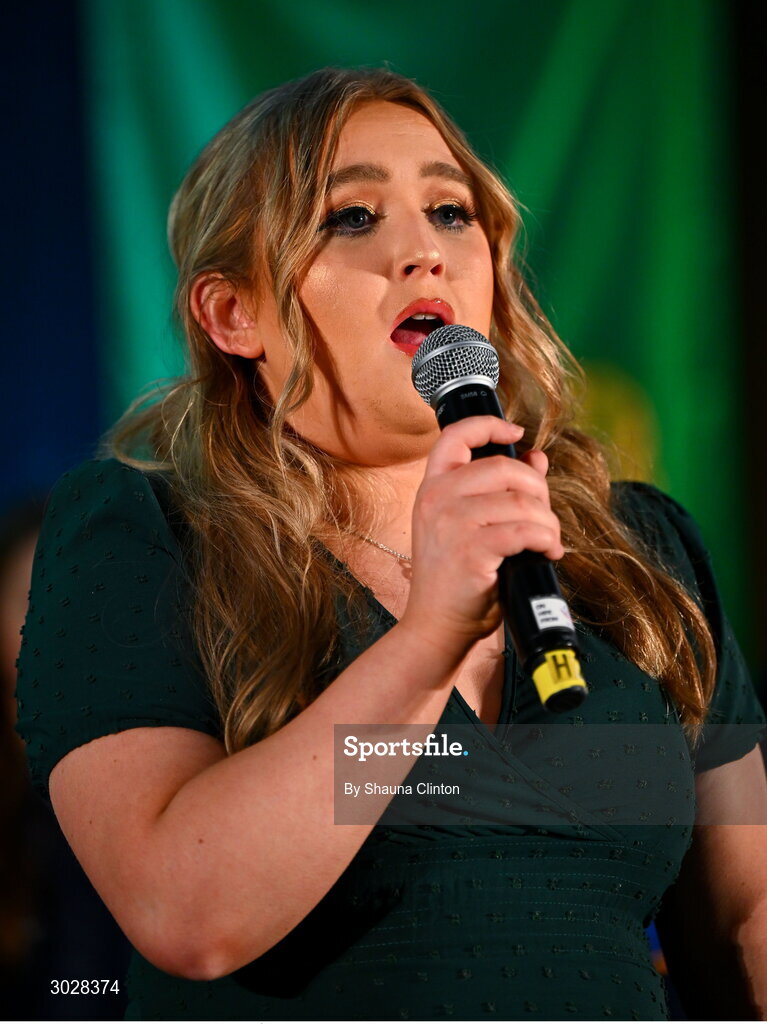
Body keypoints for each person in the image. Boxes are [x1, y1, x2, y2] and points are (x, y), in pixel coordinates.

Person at [15, 67, 767, 1021]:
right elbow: (186, 909)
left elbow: (746, 926)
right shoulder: (142, 531)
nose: (421, 252)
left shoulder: (642, 548)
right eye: (351, 218)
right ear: (231, 314)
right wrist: (423, 642)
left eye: (450, 213)